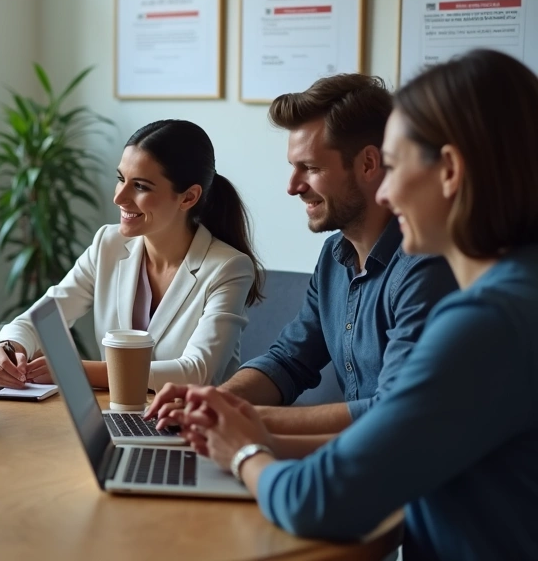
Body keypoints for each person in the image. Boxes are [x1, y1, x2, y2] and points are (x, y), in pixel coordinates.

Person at [174, 49, 538, 559]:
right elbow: (385, 444)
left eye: (393, 166)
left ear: (450, 171)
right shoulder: (515, 294)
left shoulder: (487, 322)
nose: (385, 193)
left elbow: (320, 500)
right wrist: (233, 420)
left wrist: (245, 450)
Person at [146, 74, 457, 436]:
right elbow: (289, 361)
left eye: (310, 168)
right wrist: (213, 401)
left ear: (369, 165)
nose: (292, 186)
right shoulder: (334, 257)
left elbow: (394, 410)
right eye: (293, 167)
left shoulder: (424, 267)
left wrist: (239, 418)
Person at [0, 120, 264, 391]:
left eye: (141, 186)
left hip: (192, 427)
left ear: (188, 197)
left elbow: (197, 372)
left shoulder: (228, 267)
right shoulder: (109, 244)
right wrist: (9, 347)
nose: (119, 197)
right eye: (121, 179)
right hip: (116, 416)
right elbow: (42, 318)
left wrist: (73, 369)